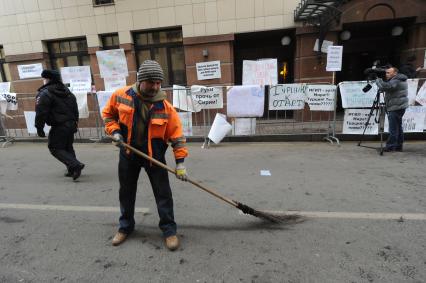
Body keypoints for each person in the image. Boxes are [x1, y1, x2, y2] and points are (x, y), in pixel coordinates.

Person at [102, 60, 188, 251]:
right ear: (140, 80)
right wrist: (115, 132)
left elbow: (178, 138)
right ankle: (125, 227)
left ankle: (169, 230)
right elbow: (108, 115)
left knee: (163, 194)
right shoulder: (120, 96)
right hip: (128, 152)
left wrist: (180, 163)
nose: (156, 87)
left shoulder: (165, 107)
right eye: (151, 82)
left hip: (154, 155)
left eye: (158, 83)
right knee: (126, 192)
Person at [35, 69, 84, 180]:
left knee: (54, 147)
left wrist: (39, 127)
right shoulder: (66, 91)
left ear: (48, 79)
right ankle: (72, 170)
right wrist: (75, 123)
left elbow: (41, 112)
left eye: (44, 79)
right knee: (67, 147)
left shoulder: (45, 93)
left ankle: (75, 165)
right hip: (71, 123)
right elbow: (75, 108)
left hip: (59, 125)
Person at [376, 67, 409, 152]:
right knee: (398, 127)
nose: (387, 74)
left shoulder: (396, 80)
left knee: (393, 128)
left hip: (396, 106)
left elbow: (388, 87)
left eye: (389, 73)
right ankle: (398, 146)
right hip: (399, 106)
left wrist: (378, 80)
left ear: (395, 73)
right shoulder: (399, 79)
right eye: (386, 72)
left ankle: (390, 146)